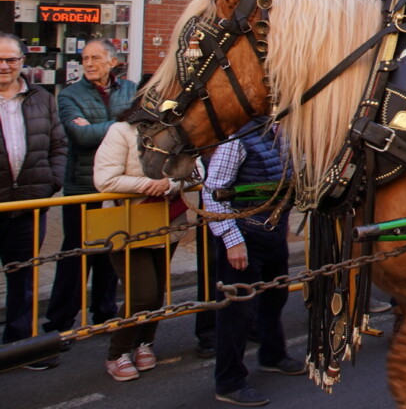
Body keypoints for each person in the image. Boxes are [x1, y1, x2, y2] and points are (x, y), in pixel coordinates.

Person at [204, 118, 304, 407]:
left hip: (271, 232)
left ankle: (273, 355)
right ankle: (229, 381)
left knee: (275, 298)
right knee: (238, 313)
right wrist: (231, 240)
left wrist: (282, 223)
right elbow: (213, 192)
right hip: (243, 235)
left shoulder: (286, 131)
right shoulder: (238, 136)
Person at [45, 39, 136, 336]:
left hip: (118, 186)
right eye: (85, 58)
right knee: (75, 257)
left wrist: (103, 128)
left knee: (110, 253)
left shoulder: (130, 89)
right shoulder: (69, 95)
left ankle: (104, 314)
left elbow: (144, 125)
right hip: (83, 188)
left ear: (113, 62)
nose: (88, 63)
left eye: (95, 57)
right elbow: (80, 136)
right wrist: (123, 125)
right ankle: (60, 324)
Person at [92, 118, 190, 381]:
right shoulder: (120, 131)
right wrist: (147, 185)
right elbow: (104, 179)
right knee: (142, 292)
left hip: (166, 221)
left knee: (158, 289)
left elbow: (195, 170)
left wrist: (168, 184)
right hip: (126, 224)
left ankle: (144, 342)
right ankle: (118, 353)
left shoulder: (178, 128)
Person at [0, 32, 67, 369]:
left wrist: (50, 182)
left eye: (11, 59)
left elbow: (59, 144)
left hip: (28, 204)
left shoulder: (42, 97)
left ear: (23, 62)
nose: (5, 66)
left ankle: (20, 346)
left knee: (23, 280)